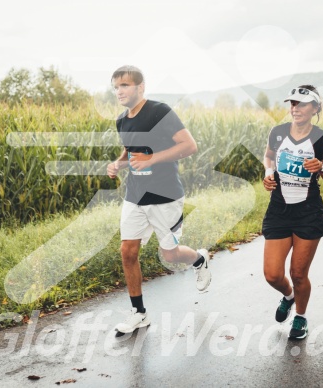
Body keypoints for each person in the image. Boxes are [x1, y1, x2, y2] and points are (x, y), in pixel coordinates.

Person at [106, 65, 211, 335]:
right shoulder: (122, 120)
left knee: (169, 254)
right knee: (127, 251)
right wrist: (118, 164)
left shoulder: (159, 111)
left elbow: (189, 146)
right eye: (116, 86)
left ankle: (199, 259)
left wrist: (151, 159)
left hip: (165, 196)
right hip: (135, 195)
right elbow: (130, 150)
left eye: (125, 85)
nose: (119, 91)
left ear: (141, 87)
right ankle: (139, 313)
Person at [261, 85, 323, 340]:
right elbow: (268, 157)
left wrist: (322, 168)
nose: (295, 108)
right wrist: (267, 174)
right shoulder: (278, 132)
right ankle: (289, 296)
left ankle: (301, 317)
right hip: (279, 208)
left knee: (298, 273)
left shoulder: (322, 138)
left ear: (315, 108)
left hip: (308, 211)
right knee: (272, 274)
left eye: (302, 104)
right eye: (292, 103)